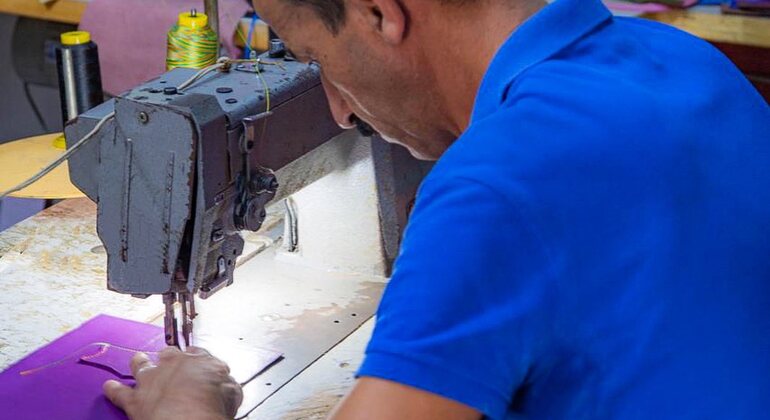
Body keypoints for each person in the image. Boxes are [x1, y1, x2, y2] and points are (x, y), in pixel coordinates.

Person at [103, 0, 770, 418]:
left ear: (378, 12)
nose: (337, 110)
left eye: (315, 59)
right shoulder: (690, 62)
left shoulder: (497, 183)